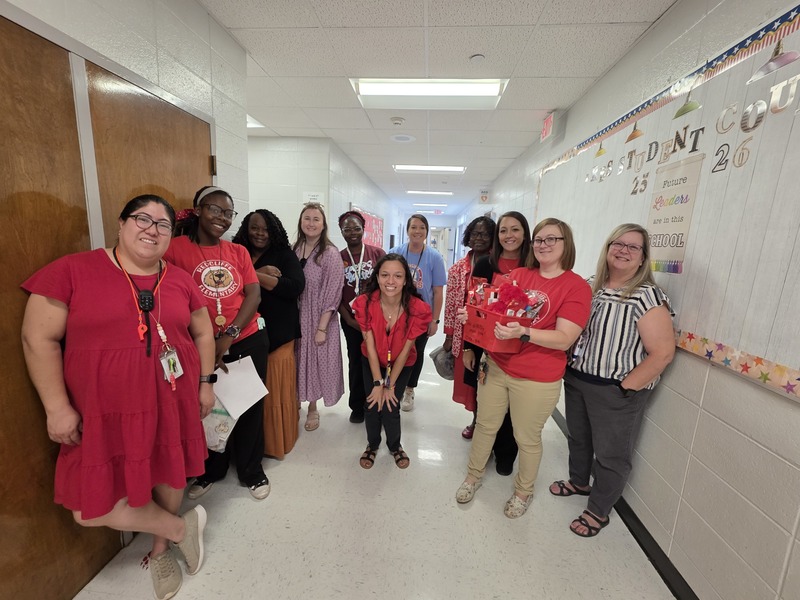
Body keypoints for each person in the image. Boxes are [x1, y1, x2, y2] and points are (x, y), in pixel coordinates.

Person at [21, 195, 212, 600]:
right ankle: (179, 528)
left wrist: (206, 382)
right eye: (142, 219)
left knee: (169, 472)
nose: (152, 230)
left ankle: (160, 549)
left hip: (172, 400)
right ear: (121, 224)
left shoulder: (180, 279)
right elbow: (37, 338)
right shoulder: (73, 270)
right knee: (87, 509)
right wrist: (56, 407)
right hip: (102, 411)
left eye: (163, 224)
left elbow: (203, 332)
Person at [455, 218, 591, 519]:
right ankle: (473, 476)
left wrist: (524, 333)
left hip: (537, 377)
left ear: (566, 244)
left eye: (552, 239)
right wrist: (473, 316)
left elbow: (564, 338)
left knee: (526, 438)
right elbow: (493, 312)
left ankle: (522, 492)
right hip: (497, 365)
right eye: (539, 239)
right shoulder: (518, 275)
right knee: (485, 425)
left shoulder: (576, 287)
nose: (544, 245)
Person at [549, 224, 675, 537]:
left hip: (615, 390)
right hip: (578, 379)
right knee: (579, 438)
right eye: (618, 244)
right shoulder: (591, 286)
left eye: (633, 247)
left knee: (610, 454)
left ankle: (598, 510)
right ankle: (579, 482)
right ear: (607, 248)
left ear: (643, 257)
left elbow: (662, 353)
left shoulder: (647, 296)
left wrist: (624, 387)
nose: (623, 251)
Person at [166, 186, 271, 501]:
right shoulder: (174, 249)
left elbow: (253, 294)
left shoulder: (237, 251)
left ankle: (252, 471)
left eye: (228, 213)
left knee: (248, 405)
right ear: (198, 210)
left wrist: (229, 336)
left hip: (246, 338)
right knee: (208, 407)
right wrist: (209, 345)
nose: (222, 218)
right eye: (215, 209)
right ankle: (211, 469)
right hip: (199, 344)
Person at [232, 210, 305, 459]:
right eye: (254, 228)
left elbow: (295, 287)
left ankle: (273, 445)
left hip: (279, 334)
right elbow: (228, 282)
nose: (260, 234)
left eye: (265, 229)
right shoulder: (236, 252)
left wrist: (251, 276)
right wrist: (259, 273)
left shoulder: (284, 254)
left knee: (272, 391)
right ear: (246, 229)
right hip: (244, 334)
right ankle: (245, 447)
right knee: (247, 393)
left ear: (274, 231)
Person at [463, 211, 532, 474]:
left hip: (522, 348)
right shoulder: (485, 264)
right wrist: (469, 347)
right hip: (487, 348)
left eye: (515, 230)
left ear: (525, 233)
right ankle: (486, 449)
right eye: (503, 230)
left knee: (514, 407)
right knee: (488, 404)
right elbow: (473, 308)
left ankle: (506, 453)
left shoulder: (534, 267)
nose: (509, 236)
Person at [351, 254, 432, 469]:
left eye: (398, 276)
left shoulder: (417, 309)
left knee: (390, 403)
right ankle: (372, 444)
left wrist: (389, 385)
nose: (390, 281)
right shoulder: (365, 303)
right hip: (372, 359)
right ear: (377, 277)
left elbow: (406, 350)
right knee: (372, 402)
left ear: (405, 280)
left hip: (401, 363)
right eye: (385, 275)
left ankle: (395, 446)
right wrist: (378, 383)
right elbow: (369, 345)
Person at [293, 202, 344, 431]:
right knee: (298, 360)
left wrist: (322, 327)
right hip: (296, 315)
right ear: (300, 222)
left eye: (316, 219)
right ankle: (296, 398)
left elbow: (333, 292)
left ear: (323, 225)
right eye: (307, 218)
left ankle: (313, 407)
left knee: (314, 362)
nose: (311, 223)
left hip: (319, 317)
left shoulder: (330, 254)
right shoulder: (294, 249)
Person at [443, 216, 495, 438]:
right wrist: (449, 335)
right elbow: (451, 303)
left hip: (492, 333)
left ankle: (491, 425)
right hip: (465, 334)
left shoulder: (499, 265)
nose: (479, 238)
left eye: (484, 234)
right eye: (475, 233)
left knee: (490, 380)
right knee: (472, 379)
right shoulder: (457, 268)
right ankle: (477, 420)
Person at [389, 214, 446, 411]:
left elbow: (438, 292)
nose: (417, 231)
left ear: (427, 231)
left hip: (422, 316)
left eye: (422, 227)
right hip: (397, 313)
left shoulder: (434, 257)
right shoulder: (396, 253)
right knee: (395, 350)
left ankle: (409, 389)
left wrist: (435, 320)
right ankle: (394, 386)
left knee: (416, 353)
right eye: (413, 227)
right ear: (407, 230)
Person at [338, 210, 386, 424]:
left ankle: (376, 404)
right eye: (347, 229)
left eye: (356, 228)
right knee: (356, 362)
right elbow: (334, 292)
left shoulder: (377, 254)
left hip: (377, 320)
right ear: (341, 231)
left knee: (378, 360)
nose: (352, 233)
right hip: (351, 321)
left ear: (363, 229)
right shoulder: (338, 257)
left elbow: (387, 284)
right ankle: (357, 406)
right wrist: (349, 320)